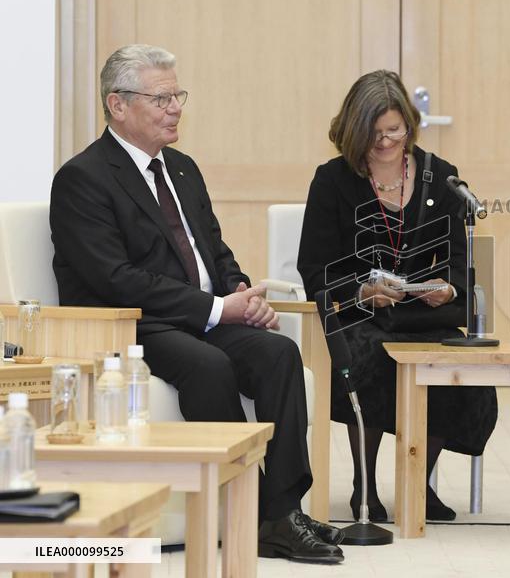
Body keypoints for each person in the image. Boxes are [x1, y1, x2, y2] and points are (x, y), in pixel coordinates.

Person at [49, 44, 344, 565]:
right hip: (132, 324)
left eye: (177, 96)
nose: (176, 108)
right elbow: (114, 279)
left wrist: (241, 295)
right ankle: (246, 508)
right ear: (118, 106)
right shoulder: (83, 178)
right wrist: (215, 310)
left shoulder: (181, 168)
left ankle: (279, 512)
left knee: (277, 355)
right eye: (161, 99)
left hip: (202, 314)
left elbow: (214, 250)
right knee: (210, 366)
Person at [297, 69, 498, 522]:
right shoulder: (332, 180)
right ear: (353, 130)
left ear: (409, 124)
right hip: (358, 312)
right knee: (366, 355)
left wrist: (445, 288)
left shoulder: (442, 179)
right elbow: (314, 266)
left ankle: (418, 483)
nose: (387, 142)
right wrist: (362, 290)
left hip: (419, 312)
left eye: (395, 130)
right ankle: (363, 485)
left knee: (452, 364)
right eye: (374, 133)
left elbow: (457, 262)